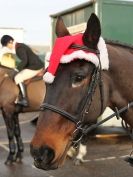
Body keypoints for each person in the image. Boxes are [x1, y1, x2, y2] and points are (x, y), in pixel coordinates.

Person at [0, 35, 44, 107]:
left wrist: (17, 70)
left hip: (35, 67)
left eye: (7, 46)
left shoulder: (19, 48)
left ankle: (24, 99)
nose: (8, 48)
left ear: (10, 42)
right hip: (32, 66)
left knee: (18, 78)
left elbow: (24, 61)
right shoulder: (19, 46)